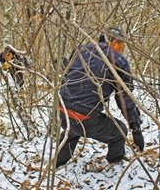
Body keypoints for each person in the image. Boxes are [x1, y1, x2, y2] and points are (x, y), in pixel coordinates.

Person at [56, 27, 144, 168]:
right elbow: (124, 99)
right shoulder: (118, 60)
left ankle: (58, 163)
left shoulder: (81, 50)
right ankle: (115, 163)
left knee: (73, 127)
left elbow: (66, 76)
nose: (122, 50)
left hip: (63, 112)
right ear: (114, 43)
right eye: (122, 46)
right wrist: (135, 128)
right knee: (120, 132)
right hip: (86, 118)